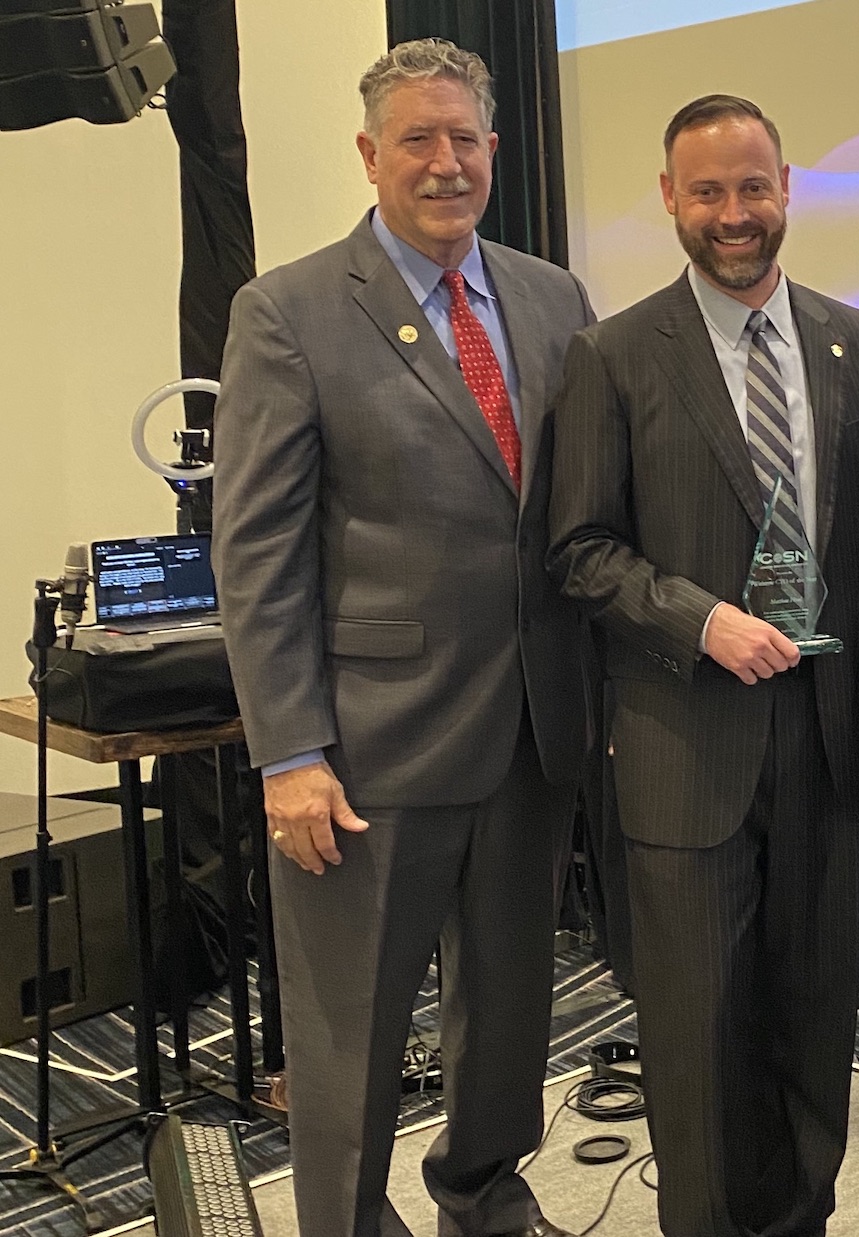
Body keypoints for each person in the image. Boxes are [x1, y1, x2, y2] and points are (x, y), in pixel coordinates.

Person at [213, 39, 593, 1237]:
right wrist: (289, 753)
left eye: (465, 138)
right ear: (371, 156)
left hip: (530, 729)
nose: (445, 163)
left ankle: (484, 1195)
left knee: (510, 1007)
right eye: (417, 140)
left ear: (494, 149)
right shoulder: (288, 311)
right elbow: (257, 551)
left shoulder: (552, 297)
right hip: (368, 748)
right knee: (353, 1028)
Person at [546, 95, 859, 1237]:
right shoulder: (612, 353)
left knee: (812, 1026)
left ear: (787, 187)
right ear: (669, 201)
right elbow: (581, 551)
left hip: (827, 742)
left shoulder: (858, 341)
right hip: (684, 746)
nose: (733, 215)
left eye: (753, 187)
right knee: (696, 1047)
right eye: (708, 192)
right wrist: (701, 620)